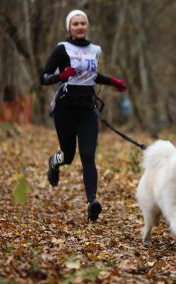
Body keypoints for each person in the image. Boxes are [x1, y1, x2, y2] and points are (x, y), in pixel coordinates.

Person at [40, 10, 127, 221]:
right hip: (65, 110)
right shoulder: (62, 49)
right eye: (75, 24)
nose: (79, 27)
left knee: (88, 156)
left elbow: (92, 75)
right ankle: (55, 161)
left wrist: (112, 82)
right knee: (68, 156)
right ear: (69, 27)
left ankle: (92, 202)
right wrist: (61, 75)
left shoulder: (94, 50)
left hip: (87, 109)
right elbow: (43, 77)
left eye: (82, 23)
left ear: (87, 26)